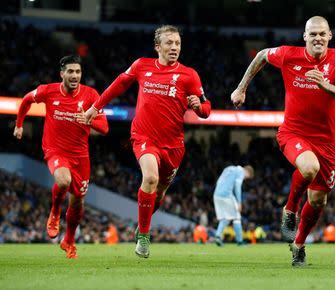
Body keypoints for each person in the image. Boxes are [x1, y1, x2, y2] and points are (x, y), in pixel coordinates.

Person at [231, 16, 335, 266]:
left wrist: (325, 85)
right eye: (313, 34)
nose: (318, 38)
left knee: (319, 200)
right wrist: (241, 88)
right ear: (304, 36)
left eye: (322, 34)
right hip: (293, 132)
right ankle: (290, 210)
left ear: (330, 36)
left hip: (326, 142)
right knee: (309, 167)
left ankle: (298, 246)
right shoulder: (289, 54)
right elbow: (262, 56)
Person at [83, 25, 211, 258]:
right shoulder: (142, 65)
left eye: (178, 43)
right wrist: (96, 106)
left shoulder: (189, 75)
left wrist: (198, 106)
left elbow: (206, 109)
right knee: (150, 177)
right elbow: (118, 84)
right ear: (157, 46)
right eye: (169, 43)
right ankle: (143, 236)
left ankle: (142, 224)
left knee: (160, 192)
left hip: (173, 145)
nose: (174, 47)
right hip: (144, 137)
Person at [13, 55, 109, 259]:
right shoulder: (48, 91)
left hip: (80, 156)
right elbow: (27, 100)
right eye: (71, 71)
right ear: (62, 73)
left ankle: (69, 241)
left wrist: (89, 120)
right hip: (55, 150)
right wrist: (19, 124)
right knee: (63, 180)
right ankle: (55, 211)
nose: (75, 75)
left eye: (78, 72)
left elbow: (105, 127)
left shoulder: (91, 95)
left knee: (77, 204)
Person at [213, 165, 254, 246]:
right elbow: (237, 186)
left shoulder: (229, 168)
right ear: (248, 172)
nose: (245, 178)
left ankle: (217, 236)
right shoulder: (240, 172)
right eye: (247, 177)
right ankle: (240, 241)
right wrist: (239, 202)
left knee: (226, 218)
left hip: (216, 195)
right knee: (237, 216)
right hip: (226, 195)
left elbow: (219, 181)